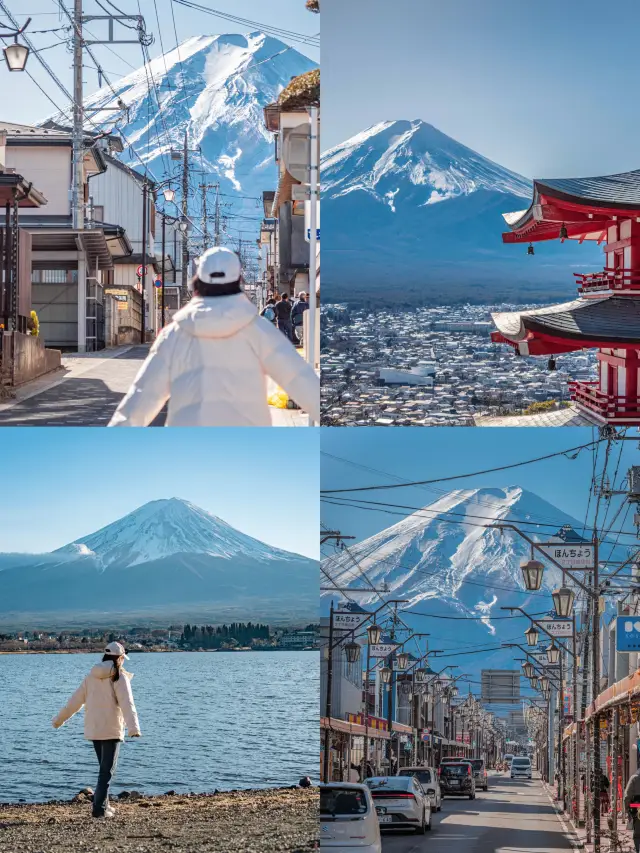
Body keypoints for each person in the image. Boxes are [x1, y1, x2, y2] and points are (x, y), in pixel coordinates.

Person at [108, 247, 319, 426]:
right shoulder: (259, 331)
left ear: (197, 281)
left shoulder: (175, 334)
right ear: (239, 281)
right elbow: (301, 381)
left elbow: (140, 399)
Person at [52, 642, 141, 819]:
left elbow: (74, 702)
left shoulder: (90, 677)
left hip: (94, 730)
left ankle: (105, 805)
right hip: (111, 729)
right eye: (123, 658)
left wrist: (58, 720)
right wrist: (134, 728)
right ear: (120, 658)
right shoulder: (119, 677)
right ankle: (99, 810)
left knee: (104, 769)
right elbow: (127, 704)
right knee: (107, 772)